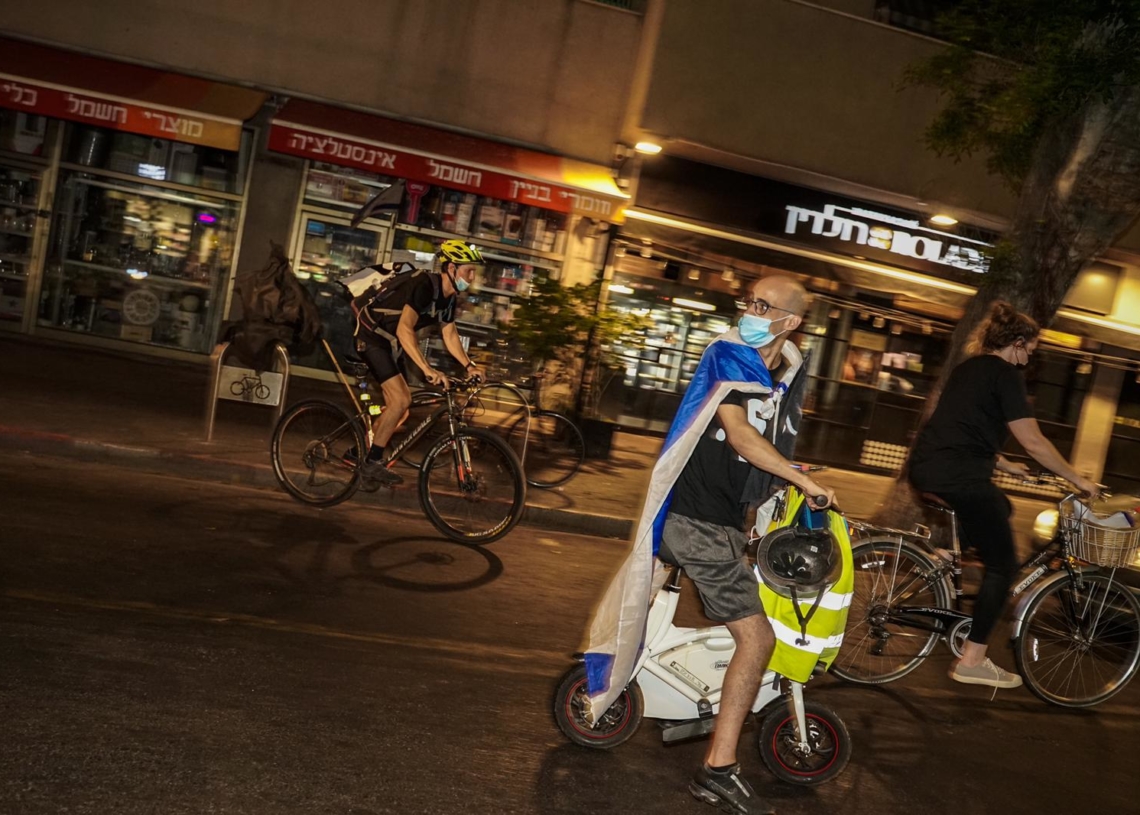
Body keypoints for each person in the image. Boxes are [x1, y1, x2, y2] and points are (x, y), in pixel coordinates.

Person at [585, 275, 835, 815]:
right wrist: (802, 480)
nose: (749, 309)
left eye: (762, 305)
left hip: (713, 519)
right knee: (758, 640)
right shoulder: (729, 353)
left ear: (789, 322)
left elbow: (752, 451)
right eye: (749, 300)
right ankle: (718, 769)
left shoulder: (781, 368)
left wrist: (758, 507)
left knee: (638, 607)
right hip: (694, 520)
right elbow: (741, 435)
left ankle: (615, 691)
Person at [908, 300, 1100, 689]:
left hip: (930, 468)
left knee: (1001, 505)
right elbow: (1033, 441)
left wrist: (1002, 464)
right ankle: (973, 659)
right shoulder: (1006, 376)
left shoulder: (968, 369)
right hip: (960, 477)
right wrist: (1077, 479)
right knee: (1005, 565)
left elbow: (961, 428)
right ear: (1016, 343)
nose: (1031, 355)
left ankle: (947, 556)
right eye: (1031, 347)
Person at [347, 239, 487, 484]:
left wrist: (469, 366)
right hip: (372, 336)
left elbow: (450, 334)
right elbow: (404, 329)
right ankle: (372, 463)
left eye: (474, 271)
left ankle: (357, 453)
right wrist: (427, 369)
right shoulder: (424, 285)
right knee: (401, 399)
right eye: (468, 270)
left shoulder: (449, 297)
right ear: (451, 268)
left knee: (400, 409)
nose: (472, 277)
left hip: (390, 343)